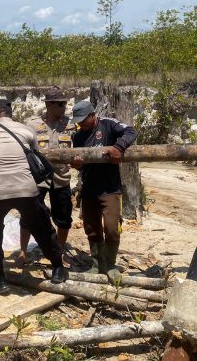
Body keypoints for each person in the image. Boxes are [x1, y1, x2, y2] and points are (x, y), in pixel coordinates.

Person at [0, 99, 68, 294]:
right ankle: (58, 269)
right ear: (9, 114)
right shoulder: (26, 130)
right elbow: (35, 155)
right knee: (42, 227)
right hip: (27, 188)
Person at [71, 100, 137, 282]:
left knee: (112, 228)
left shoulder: (108, 125)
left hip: (110, 188)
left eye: (84, 120)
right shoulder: (77, 137)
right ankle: (96, 264)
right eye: (79, 121)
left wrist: (118, 147)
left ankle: (110, 264)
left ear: (93, 115)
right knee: (91, 228)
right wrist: (76, 165)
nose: (81, 124)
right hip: (89, 189)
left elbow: (131, 131)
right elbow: (79, 165)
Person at [19, 87, 75, 267]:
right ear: (49, 105)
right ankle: (22, 252)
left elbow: (80, 146)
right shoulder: (32, 125)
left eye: (65, 104)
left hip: (61, 177)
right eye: (60, 104)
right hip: (38, 178)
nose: (64, 107)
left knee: (64, 217)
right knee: (29, 214)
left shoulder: (71, 125)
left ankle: (59, 251)